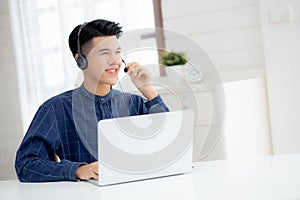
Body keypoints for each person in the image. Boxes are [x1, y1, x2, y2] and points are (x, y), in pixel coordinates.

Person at [15, 19, 169, 182]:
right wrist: (78, 170)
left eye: (117, 52)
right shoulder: (56, 108)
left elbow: (168, 147)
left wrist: (149, 91)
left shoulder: (134, 103)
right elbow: (26, 165)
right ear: (81, 60)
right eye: (104, 53)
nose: (114, 61)